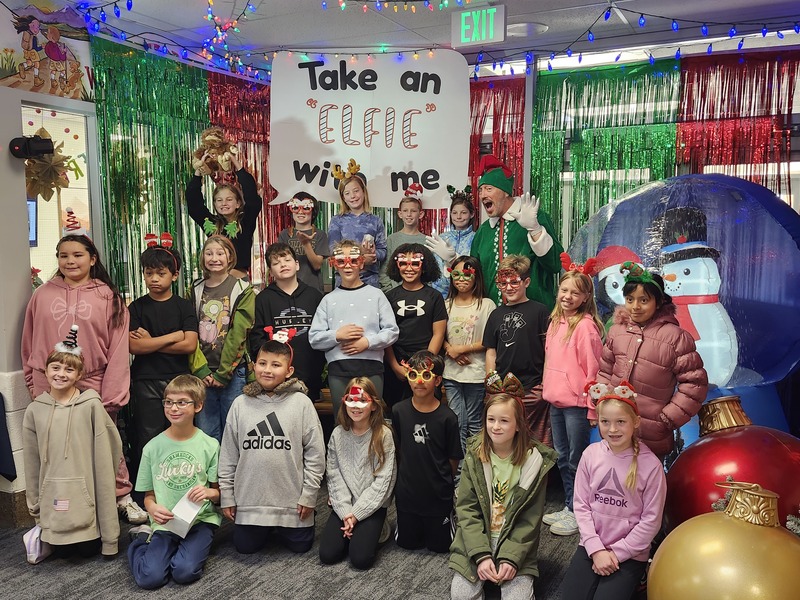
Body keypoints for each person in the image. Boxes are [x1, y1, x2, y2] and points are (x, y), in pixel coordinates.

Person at [21, 230, 146, 524]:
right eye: (64, 256)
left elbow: (118, 350)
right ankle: (57, 508)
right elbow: (29, 342)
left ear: (92, 259)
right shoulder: (42, 295)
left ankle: (121, 497)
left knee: (106, 445)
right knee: (55, 448)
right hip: (48, 386)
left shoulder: (109, 297)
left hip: (94, 384)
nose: (70, 261)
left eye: (77, 255)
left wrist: (112, 395)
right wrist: (32, 382)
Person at [560, 382, 667, 600]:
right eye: (605, 422)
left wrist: (617, 553)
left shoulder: (651, 466)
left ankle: (640, 580)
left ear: (635, 422)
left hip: (630, 552)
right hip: (592, 544)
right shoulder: (590, 455)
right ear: (597, 422)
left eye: (620, 422)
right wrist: (596, 549)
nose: (612, 429)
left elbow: (651, 521)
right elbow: (581, 505)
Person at [23, 328, 122, 559]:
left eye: (69, 369)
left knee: (86, 551)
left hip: (86, 503)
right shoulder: (34, 411)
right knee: (64, 552)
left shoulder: (91, 406)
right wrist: (36, 512)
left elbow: (110, 451)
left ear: (79, 375)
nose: (61, 374)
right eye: (55, 368)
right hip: (52, 504)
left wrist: (110, 540)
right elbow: (31, 462)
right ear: (45, 371)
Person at [218, 340, 325, 554]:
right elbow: (228, 454)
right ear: (254, 366)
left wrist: (309, 496)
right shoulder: (240, 404)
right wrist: (227, 495)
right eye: (262, 363)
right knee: (245, 547)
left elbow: (316, 454)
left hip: (291, 503)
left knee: (301, 547)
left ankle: (278, 525)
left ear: (289, 371)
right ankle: (263, 526)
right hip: (250, 502)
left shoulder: (302, 403)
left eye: (276, 365)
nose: (267, 370)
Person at [449, 393, 556, 599]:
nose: (496, 426)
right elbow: (466, 510)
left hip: (515, 542)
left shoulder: (535, 463)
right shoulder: (475, 454)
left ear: (518, 425)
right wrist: (480, 555)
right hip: (476, 540)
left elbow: (529, 521)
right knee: (461, 596)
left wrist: (511, 558)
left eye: (504, 421)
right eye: (491, 419)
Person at [597, 263, 708, 459]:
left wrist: (666, 418)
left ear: (658, 302)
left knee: (648, 484)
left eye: (644, 300)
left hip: (652, 435)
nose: (635, 307)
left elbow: (694, 383)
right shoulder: (616, 331)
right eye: (630, 299)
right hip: (615, 429)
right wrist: (601, 400)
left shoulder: (675, 338)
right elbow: (605, 370)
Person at [128, 375, 221, 589]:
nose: (173, 408)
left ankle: (175, 552)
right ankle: (141, 541)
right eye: (168, 402)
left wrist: (209, 494)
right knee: (149, 579)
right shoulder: (152, 447)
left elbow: (218, 493)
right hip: (165, 523)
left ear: (198, 406)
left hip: (200, 521)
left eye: (182, 402)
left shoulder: (210, 445)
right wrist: (153, 510)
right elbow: (148, 496)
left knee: (184, 572)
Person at [541, 254, 604, 536]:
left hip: (576, 406)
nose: (567, 296)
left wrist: (593, 409)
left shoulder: (586, 327)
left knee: (577, 460)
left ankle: (580, 512)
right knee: (562, 457)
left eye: (574, 292)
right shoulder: (555, 322)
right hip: (556, 401)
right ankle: (570, 506)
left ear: (585, 296)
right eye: (564, 290)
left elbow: (594, 371)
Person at [128, 239, 198, 475]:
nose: (154, 279)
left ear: (174, 275)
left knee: (180, 433)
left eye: (161, 273)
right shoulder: (136, 308)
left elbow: (189, 344)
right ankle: (147, 490)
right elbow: (134, 347)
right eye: (149, 273)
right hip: (145, 380)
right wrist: (173, 336)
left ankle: (180, 481)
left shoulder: (183, 306)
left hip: (179, 380)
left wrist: (151, 341)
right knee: (148, 435)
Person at [309, 240, 399, 418]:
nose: (348, 266)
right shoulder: (328, 300)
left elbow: (392, 331)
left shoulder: (376, 295)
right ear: (334, 264)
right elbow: (314, 338)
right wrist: (337, 335)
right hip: (339, 370)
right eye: (342, 261)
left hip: (372, 368)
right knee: (342, 419)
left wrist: (368, 342)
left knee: (372, 418)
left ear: (361, 263)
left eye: (353, 260)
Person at [319, 379, 397, 570]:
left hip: (372, 504)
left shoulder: (384, 435)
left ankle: (378, 528)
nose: (356, 406)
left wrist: (357, 515)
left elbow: (384, 483)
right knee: (328, 554)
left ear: (373, 405)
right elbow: (334, 476)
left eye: (362, 400)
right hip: (345, 503)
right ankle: (352, 529)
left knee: (360, 559)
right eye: (351, 400)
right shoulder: (337, 434)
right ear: (344, 402)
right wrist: (346, 513)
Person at [391, 351, 463, 553]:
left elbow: (453, 459)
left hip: (437, 497)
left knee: (441, 547)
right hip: (407, 496)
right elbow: (398, 448)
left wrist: (441, 483)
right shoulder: (398, 411)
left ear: (438, 380)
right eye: (413, 375)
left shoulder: (448, 417)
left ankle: (447, 518)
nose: (419, 381)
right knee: (407, 544)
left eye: (427, 375)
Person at [470, 155, 563, 308]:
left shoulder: (536, 217)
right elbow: (475, 276)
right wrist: (454, 261)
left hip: (535, 316)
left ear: (505, 192)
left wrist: (535, 229)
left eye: (488, 189)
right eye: (480, 190)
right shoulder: (484, 231)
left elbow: (555, 265)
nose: (483, 195)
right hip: (496, 317)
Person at [189, 235, 255, 442]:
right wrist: (201, 369)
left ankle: (232, 475)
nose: (214, 258)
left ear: (230, 257)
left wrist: (223, 373)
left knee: (233, 432)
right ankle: (211, 475)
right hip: (203, 372)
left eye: (220, 253)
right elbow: (189, 329)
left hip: (233, 372)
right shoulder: (195, 289)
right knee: (206, 432)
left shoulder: (243, 289)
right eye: (209, 253)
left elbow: (239, 333)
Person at [483, 255, 552, 446]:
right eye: (502, 283)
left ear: (527, 281)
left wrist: (545, 384)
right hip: (502, 390)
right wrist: (491, 382)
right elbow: (491, 351)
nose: (508, 287)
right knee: (504, 440)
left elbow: (548, 350)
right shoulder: (496, 314)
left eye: (514, 282)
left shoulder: (540, 311)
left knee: (535, 443)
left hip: (532, 388)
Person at [250, 242, 324, 402]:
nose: (283, 265)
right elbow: (255, 340)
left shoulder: (315, 296)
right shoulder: (263, 299)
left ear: (297, 264)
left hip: (312, 379)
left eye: (287, 260)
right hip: (275, 384)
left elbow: (324, 337)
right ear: (271, 271)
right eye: (276, 263)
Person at [442, 256, 496, 453]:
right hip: (451, 373)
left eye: (467, 274)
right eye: (456, 274)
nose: (461, 279)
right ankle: (459, 472)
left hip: (476, 373)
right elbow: (439, 334)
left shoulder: (486, 305)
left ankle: (474, 469)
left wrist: (463, 349)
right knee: (456, 421)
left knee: (474, 423)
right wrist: (451, 350)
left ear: (476, 276)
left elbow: (489, 339)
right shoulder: (446, 304)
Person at [384, 243, 447, 407]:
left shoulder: (435, 296)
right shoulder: (389, 297)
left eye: (415, 263)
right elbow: (385, 335)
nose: (409, 268)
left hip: (427, 365)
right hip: (397, 365)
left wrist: (424, 364)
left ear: (424, 266)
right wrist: (395, 366)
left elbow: (438, 334)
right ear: (397, 266)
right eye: (403, 263)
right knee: (397, 412)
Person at [186, 148, 261, 278]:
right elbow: (194, 205)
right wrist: (199, 170)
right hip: (214, 282)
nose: (224, 203)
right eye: (219, 200)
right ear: (214, 204)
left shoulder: (246, 221)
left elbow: (252, 196)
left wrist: (234, 161)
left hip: (238, 282)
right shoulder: (212, 225)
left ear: (238, 203)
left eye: (229, 199)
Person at [327, 159, 387, 288]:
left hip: (370, 281)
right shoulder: (337, 220)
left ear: (363, 192)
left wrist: (373, 255)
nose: (352, 196)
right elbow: (333, 250)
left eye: (356, 191)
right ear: (343, 198)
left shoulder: (375, 221)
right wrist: (360, 256)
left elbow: (383, 250)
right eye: (347, 193)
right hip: (344, 280)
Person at [426, 185, 477, 297]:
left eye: (463, 212)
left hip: (468, 293)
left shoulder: (477, 238)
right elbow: (432, 267)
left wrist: (454, 259)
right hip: (440, 294)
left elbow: (477, 267)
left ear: (471, 214)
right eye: (454, 213)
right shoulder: (442, 238)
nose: (458, 217)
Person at [379, 183, 427, 292]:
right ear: (400, 214)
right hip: (396, 293)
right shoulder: (392, 239)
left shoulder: (426, 240)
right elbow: (384, 270)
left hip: (420, 293)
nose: (409, 214)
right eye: (405, 211)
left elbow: (429, 270)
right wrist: (390, 291)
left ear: (421, 214)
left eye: (413, 211)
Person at [278, 192, 328, 293]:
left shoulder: (319, 235)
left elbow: (317, 265)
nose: (300, 212)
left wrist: (306, 244)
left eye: (305, 208)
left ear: (313, 211)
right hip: (288, 290)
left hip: (313, 290)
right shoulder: (285, 234)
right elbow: (280, 264)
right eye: (295, 207)